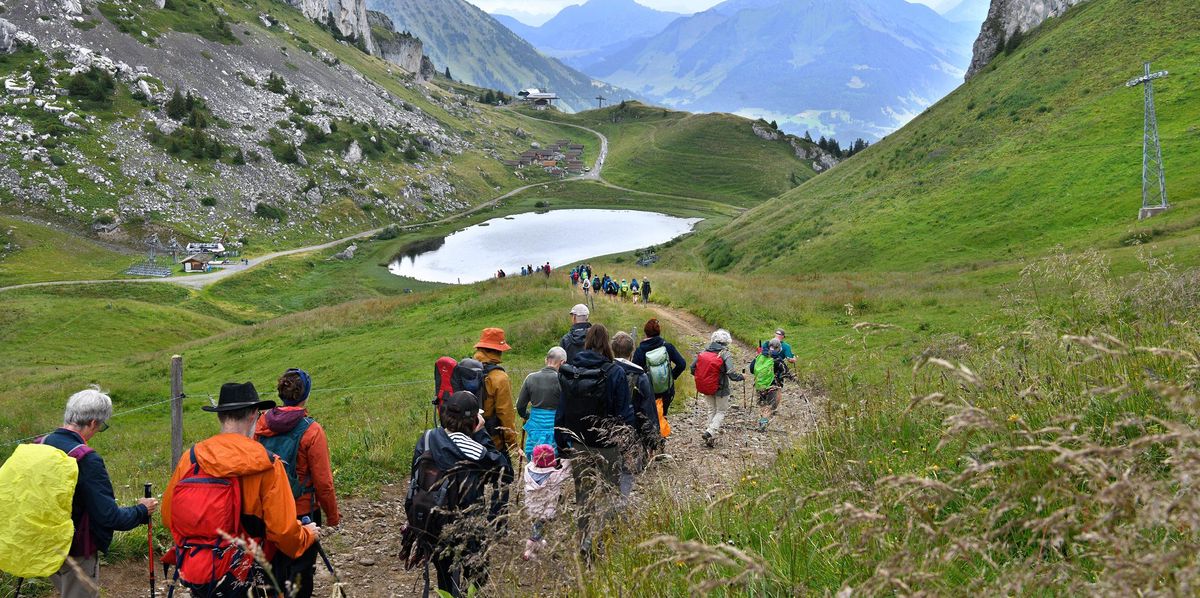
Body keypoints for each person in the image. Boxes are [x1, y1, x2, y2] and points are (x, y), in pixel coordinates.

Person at [163, 382, 319, 598]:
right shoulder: (268, 464)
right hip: (252, 574)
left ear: (220, 416)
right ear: (254, 414)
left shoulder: (191, 458)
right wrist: (306, 535)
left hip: (201, 569)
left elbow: (168, 516)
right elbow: (283, 533)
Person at [41, 387, 157, 598]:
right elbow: (109, 517)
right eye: (100, 425)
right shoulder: (86, 459)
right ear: (93, 422)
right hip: (75, 549)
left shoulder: (42, 443)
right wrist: (142, 510)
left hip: (43, 541)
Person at [411, 391, 511, 596]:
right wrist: (481, 433)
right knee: (477, 572)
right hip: (467, 523)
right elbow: (504, 472)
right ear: (473, 420)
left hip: (432, 521)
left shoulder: (427, 438)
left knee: (444, 574)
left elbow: (414, 477)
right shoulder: (474, 448)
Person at [254, 369, 341, 598]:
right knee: (301, 574)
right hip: (303, 513)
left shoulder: (261, 423)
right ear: (306, 395)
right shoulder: (312, 430)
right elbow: (323, 482)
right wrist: (332, 516)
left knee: (272, 571)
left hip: (269, 511)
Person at [555, 324, 636, 556]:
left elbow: (561, 410)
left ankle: (584, 537)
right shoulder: (615, 372)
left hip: (579, 443)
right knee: (611, 491)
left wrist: (561, 443)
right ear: (607, 343)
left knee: (584, 494)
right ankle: (599, 539)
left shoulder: (569, 371)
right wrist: (626, 442)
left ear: (586, 343)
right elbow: (625, 412)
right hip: (608, 445)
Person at [611, 331, 661, 497]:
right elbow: (648, 409)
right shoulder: (640, 376)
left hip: (606, 429)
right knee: (627, 470)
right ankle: (621, 503)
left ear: (613, 350)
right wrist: (653, 439)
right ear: (632, 352)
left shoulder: (605, 370)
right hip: (633, 432)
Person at [690, 330, 744, 448]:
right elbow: (731, 373)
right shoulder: (725, 354)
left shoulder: (704, 351)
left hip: (706, 386)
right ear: (727, 342)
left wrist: (703, 377)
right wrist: (741, 377)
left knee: (711, 410)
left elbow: (692, 368)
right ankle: (710, 432)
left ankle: (710, 437)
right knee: (721, 411)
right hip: (721, 388)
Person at [521, 444, 571, 562]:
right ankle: (529, 551)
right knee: (538, 530)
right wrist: (566, 459)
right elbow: (567, 471)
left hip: (531, 508)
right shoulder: (554, 476)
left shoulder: (527, 470)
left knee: (537, 526)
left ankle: (538, 542)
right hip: (546, 512)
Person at [473, 328, 518, 454]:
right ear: (499, 350)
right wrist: (513, 444)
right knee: (502, 473)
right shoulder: (499, 378)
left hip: (466, 438)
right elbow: (505, 414)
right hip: (491, 440)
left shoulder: (466, 369)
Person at [517, 347, 567, 457]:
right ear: (562, 362)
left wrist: (526, 415)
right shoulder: (563, 380)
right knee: (554, 461)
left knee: (535, 459)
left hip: (535, 427)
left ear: (546, 360)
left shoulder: (530, 378)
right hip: (555, 427)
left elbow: (520, 406)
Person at [633, 318, 688, 416]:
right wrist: (671, 376)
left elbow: (635, 373)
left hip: (648, 392)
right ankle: (662, 428)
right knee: (662, 414)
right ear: (659, 332)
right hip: (666, 390)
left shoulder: (640, 351)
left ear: (646, 333)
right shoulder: (667, 347)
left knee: (648, 417)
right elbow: (682, 364)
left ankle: (653, 429)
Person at [751, 339, 788, 432]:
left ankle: (762, 419)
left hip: (760, 385)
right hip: (774, 386)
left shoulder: (759, 357)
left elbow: (751, 369)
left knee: (763, 404)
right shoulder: (778, 360)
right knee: (771, 406)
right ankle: (763, 422)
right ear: (779, 348)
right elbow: (785, 372)